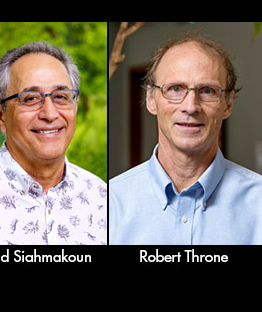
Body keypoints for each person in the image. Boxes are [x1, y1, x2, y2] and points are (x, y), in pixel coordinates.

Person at [109, 32, 262, 245]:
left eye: (207, 91)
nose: (190, 107)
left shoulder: (258, 203)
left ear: (227, 104)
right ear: (151, 100)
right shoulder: (109, 203)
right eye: (175, 89)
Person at [0, 42, 107, 245]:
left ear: (75, 108)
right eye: (31, 98)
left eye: (61, 97)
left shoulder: (101, 196)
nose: (50, 114)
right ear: (0, 116)